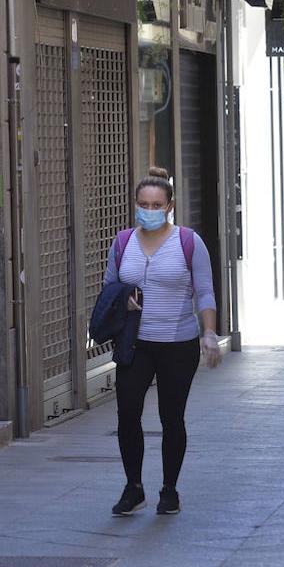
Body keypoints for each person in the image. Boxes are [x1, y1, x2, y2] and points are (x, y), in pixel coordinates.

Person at [104, 167, 221, 517]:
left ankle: (169, 489)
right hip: (134, 343)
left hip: (177, 342)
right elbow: (110, 286)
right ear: (135, 204)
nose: (149, 210)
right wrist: (122, 299)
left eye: (156, 204)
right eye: (143, 204)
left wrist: (210, 333)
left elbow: (205, 291)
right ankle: (133, 487)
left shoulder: (188, 241)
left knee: (172, 417)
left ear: (169, 205)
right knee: (127, 413)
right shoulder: (123, 242)